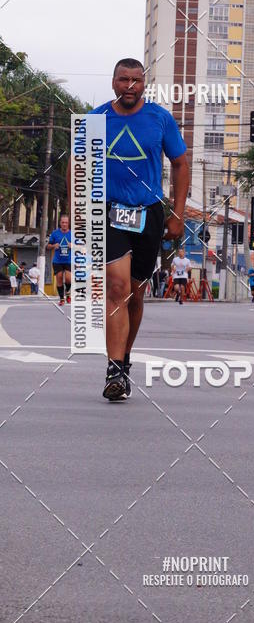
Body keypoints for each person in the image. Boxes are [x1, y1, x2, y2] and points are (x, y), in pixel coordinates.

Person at [68, 58, 189, 401]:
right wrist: (77, 212)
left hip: (148, 213)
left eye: (137, 80)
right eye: (124, 79)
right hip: (107, 211)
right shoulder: (95, 119)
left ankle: (124, 356)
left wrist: (177, 214)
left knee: (136, 294)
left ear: (144, 84)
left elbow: (180, 164)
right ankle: (114, 368)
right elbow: (76, 166)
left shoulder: (160, 118)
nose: (130, 86)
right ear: (113, 83)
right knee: (116, 287)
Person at [47, 215, 72, 305]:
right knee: (59, 278)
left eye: (66, 222)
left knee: (69, 279)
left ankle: (68, 293)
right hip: (57, 260)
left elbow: (82, 247)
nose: (64, 224)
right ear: (60, 223)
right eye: (63, 222)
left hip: (69, 260)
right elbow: (48, 246)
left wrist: (73, 246)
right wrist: (54, 245)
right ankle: (62, 299)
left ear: (68, 223)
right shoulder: (55, 233)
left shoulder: (73, 234)